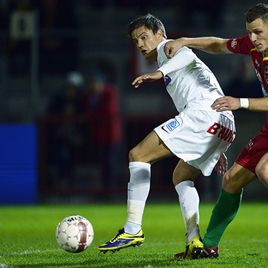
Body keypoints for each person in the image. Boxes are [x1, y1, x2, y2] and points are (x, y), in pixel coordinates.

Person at [98, 13, 235, 258]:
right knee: (181, 175)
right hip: (223, 122)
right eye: (135, 41)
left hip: (204, 115)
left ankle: (132, 229)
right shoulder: (167, 58)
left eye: (143, 37)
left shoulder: (168, 48)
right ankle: (194, 243)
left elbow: (184, 54)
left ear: (160, 34)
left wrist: (158, 74)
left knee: (138, 154)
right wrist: (217, 145)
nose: (140, 44)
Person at [164, 2, 268, 258]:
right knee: (232, 181)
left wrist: (239, 102)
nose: (252, 38)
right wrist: (185, 41)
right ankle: (208, 246)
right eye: (250, 32)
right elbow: (219, 44)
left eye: (258, 32)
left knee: (265, 169)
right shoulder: (254, 46)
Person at [82, 70, 122, 190]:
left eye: (96, 83)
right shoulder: (90, 96)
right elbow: (87, 113)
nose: (94, 86)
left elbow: (109, 111)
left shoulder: (109, 92)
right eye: (92, 83)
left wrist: (94, 114)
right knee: (101, 164)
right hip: (98, 136)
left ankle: (111, 190)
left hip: (111, 136)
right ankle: (104, 189)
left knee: (111, 164)